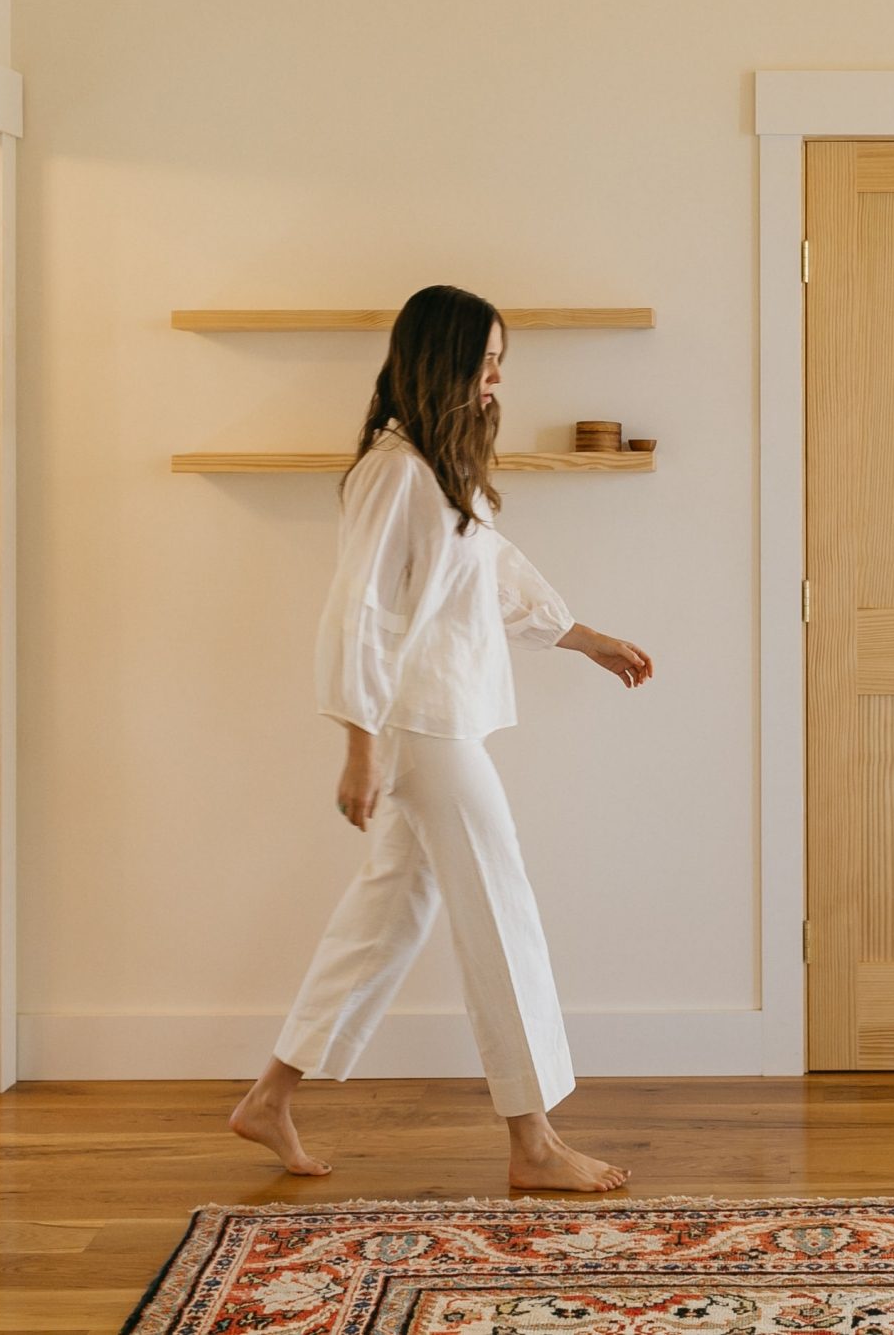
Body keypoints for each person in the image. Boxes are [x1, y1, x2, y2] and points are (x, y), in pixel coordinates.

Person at [227, 284, 652, 1189]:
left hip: (441, 716)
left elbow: (493, 580)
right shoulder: (394, 470)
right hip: (418, 726)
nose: (496, 377)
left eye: (501, 360)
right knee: (500, 904)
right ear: (440, 362)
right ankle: (533, 1141)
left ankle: (270, 1096)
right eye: (483, 359)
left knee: (388, 913)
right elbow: (358, 614)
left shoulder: (438, 470)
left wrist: (587, 639)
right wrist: (361, 745)